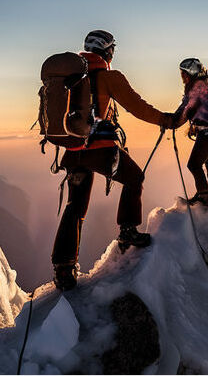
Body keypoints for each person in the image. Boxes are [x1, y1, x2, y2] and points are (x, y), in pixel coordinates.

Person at [51, 30, 174, 290]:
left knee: (75, 206)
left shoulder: (69, 79)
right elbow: (137, 106)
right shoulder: (109, 77)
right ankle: (128, 231)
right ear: (107, 51)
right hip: (101, 149)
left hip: (73, 152)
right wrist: (165, 119)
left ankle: (63, 268)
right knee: (134, 178)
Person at [173, 58, 208, 214]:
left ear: (191, 73)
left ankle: (204, 196)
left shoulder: (197, 87)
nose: (183, 78)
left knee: (194, 164)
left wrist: (168, 122)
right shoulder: (206, 85)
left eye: (184, 74)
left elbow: (183, 111)